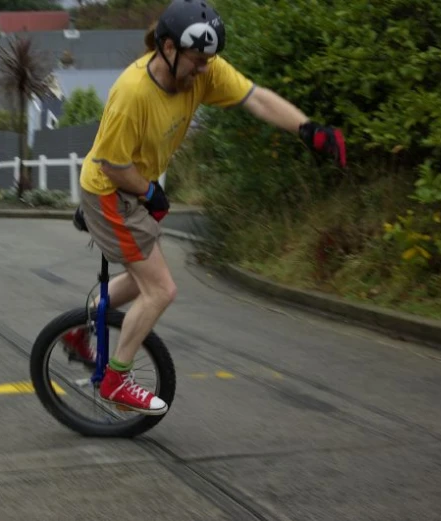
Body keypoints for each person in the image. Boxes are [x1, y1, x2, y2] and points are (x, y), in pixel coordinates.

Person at [63, 0, 346, 416]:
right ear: (168, 48)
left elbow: (257, 99)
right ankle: (115, 379)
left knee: (147, 280)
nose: (203, 70)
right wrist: (151, 194)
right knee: (161, 290)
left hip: (133, 186)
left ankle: (78, 329)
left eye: (207, 61)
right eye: (196, 60)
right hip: (111, 190)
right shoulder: (132, 92)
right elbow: (113, 165)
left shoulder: (203, 73)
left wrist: (307, 129)